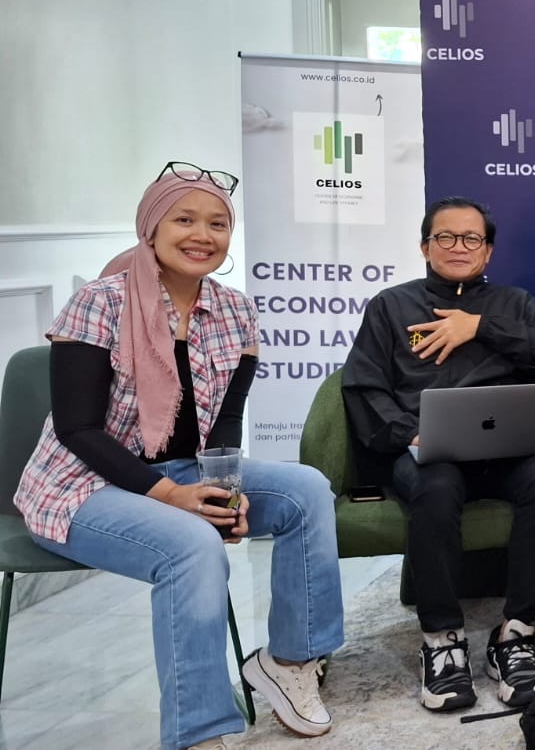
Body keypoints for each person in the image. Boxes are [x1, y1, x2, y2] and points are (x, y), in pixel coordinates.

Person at [14, 163, 343, 750]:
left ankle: (289, 662)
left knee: (306, 490)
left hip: (186, 472)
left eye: (218, 223)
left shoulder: (236, 311)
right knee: (191, 544)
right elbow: (78, 429)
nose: (203, 234)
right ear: (151, 227)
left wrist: (228, 492)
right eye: (184, 219)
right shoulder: (99, 303)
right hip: (80, 486)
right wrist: (173, 499)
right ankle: (200, 732)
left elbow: (226, 427)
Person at [342, 196, 535, 713]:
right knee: (437, 482)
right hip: (426, 453)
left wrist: (480, 326)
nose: (458, 247)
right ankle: (442, 641)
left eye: (471, 239)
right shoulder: (390, 305)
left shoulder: (513, 304)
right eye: (445, 237)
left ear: (488, 252)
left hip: (503, 453)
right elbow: (363, 386)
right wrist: (410, 435)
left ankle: (516, 632)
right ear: (425, 246)